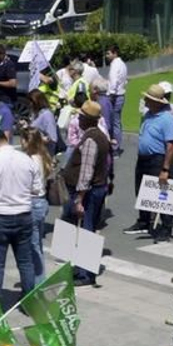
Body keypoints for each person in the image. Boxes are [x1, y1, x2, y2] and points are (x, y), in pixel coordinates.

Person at [0, 127, 41, 295]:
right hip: (24, 214)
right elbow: (37, 189)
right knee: (25, 262)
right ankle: (29, 301)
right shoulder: (26, 159)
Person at [65, 101, 113, 285]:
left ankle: (85, 274)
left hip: (91, 191)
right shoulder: (99, 136)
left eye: (81, 116)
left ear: (87, 119)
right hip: (98, 188)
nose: (79, 119)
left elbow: (86, 172)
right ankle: (82, 269)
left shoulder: (92, 139)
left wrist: (79, 199)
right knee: (88, 229)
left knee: (87, 230)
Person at [135, 85, 173, 241]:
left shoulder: (166, 119)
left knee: (161, 194)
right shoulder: (148, 115)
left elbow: (171, 145)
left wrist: (165, 168)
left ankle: (166, 227)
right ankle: (145, 222)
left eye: (148, 98)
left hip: (157, 159)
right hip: (144, 158)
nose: (145, 100)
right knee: (142, 191)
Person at [21, 130, 54, 278]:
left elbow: (30, 185)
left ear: (29, 142)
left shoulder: (30, 161)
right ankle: (37, 279)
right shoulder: (43, 157)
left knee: (33, 246)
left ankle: (38, 281)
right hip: (41, 201)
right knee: (36, 243)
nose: (21, 143)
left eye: (23, 140)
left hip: (33, 201)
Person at [98, 43, 128, 145]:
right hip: (120, 95)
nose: (107, 56)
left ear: (115, 53)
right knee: (116, 121)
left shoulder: (115, 65)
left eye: (108, 53)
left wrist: (110, 95)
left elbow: (114, 82)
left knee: (113, 121)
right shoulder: (122, 64)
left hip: (115, 96)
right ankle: (116, 144)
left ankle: (115, 146)